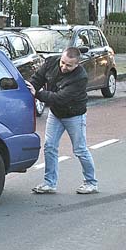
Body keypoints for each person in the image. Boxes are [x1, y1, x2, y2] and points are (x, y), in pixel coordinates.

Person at [26, 47, 98, 195]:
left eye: (69, 65)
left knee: (80, 149)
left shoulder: (80, 78)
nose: (64, 67)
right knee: (49, 146)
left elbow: (60, 98)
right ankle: (49, 183)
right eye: (63, 62)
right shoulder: (52, 62)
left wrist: (37, 94)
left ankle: (91, 183)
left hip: (74, 115)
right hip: (56, 113)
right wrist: (30, 87)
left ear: (77, 64)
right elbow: (38, 78)